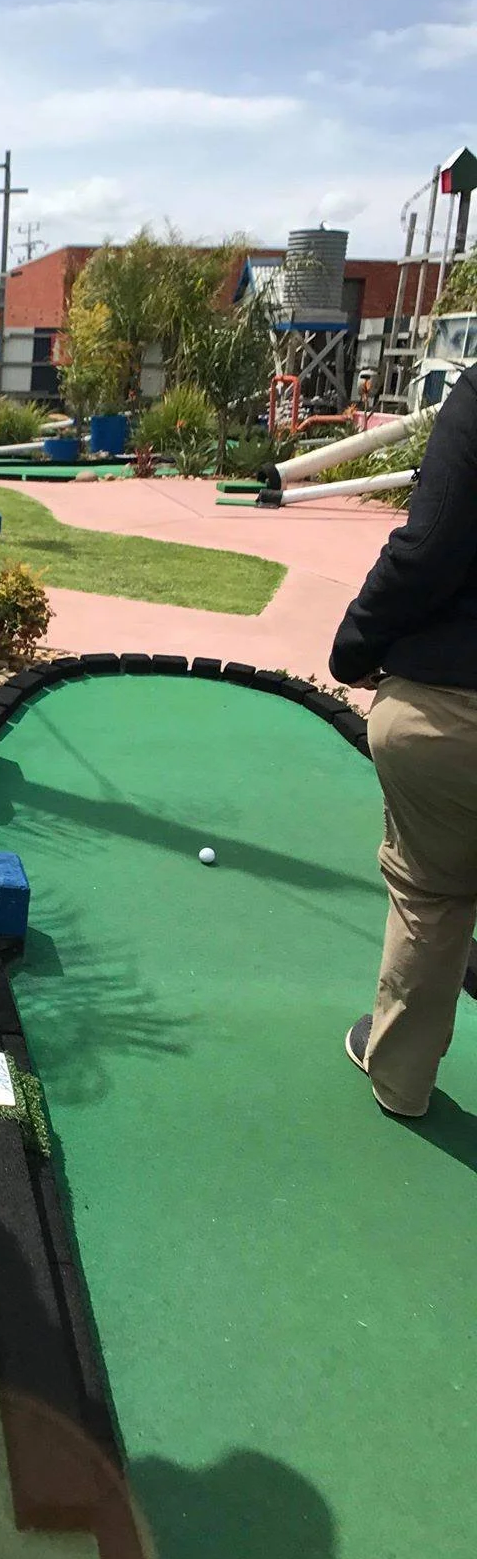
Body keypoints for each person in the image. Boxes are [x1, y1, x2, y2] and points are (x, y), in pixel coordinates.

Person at [331, 366, 477, 1119]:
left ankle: (401, 1078)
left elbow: (427, 548)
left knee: (433, 892)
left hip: (451, 711)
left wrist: (355, 647)